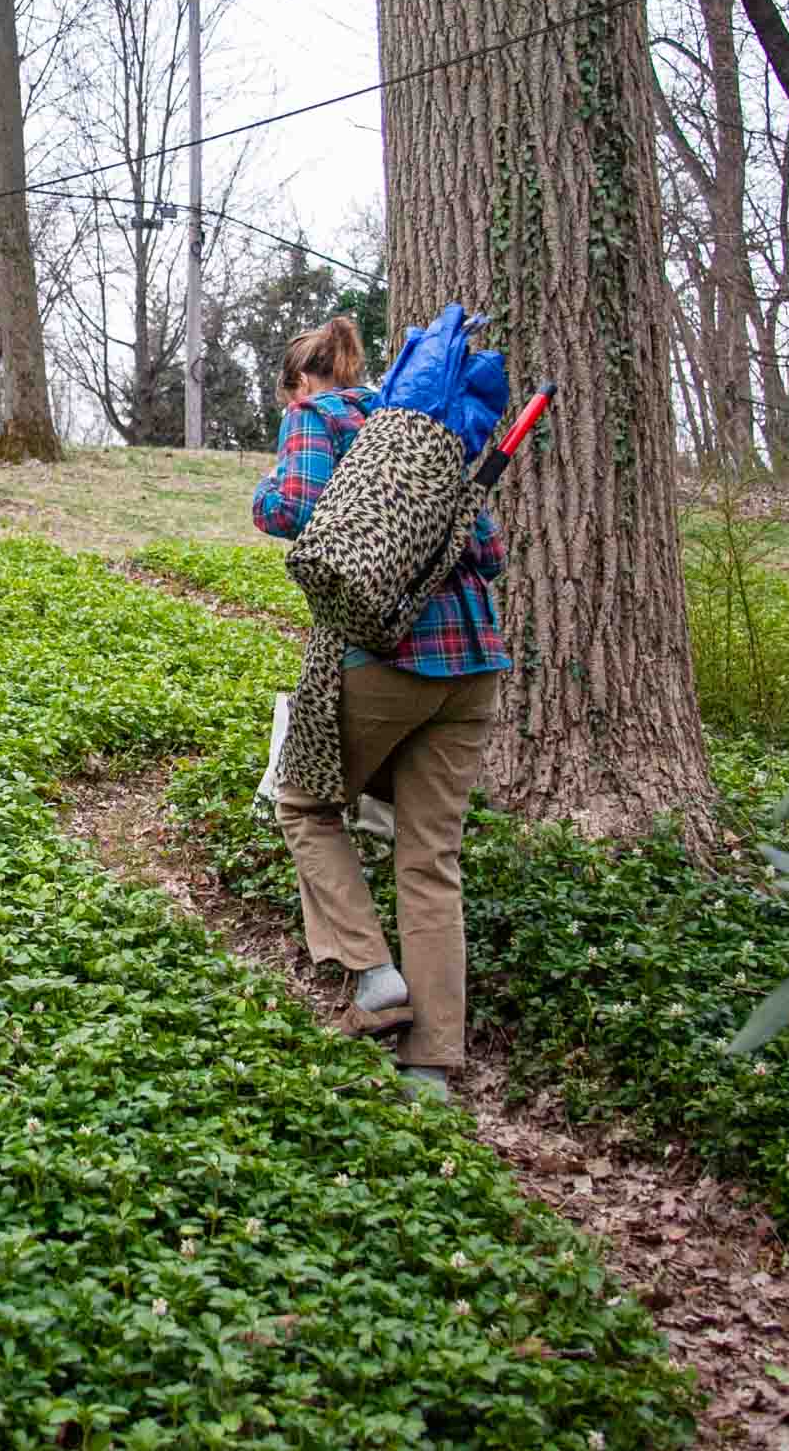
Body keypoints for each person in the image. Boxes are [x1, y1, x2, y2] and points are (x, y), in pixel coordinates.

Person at [251, 316, 509, 1103]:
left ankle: (372, 973)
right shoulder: (428, 425)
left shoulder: (316, 417)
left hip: (384, 654)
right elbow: (490, 550)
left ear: (299, 381)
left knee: (303, 803)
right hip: (473, 663)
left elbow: (287, 509)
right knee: (431, 861)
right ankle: (431, 1069)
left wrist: (274, 485)